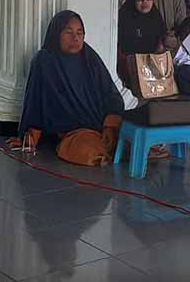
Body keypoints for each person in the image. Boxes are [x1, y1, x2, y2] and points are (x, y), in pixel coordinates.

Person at [19, 11, 125, 167]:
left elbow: (111, 93)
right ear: (56, 34)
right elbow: (35, 101)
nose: (75, 38)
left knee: (138, 139)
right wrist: (31, 136)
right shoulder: (45, 61)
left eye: (80, 33)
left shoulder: (89, 57)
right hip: (74, 132)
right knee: (88, 151)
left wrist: (110, 125)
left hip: (102, 124)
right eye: (68, 32)